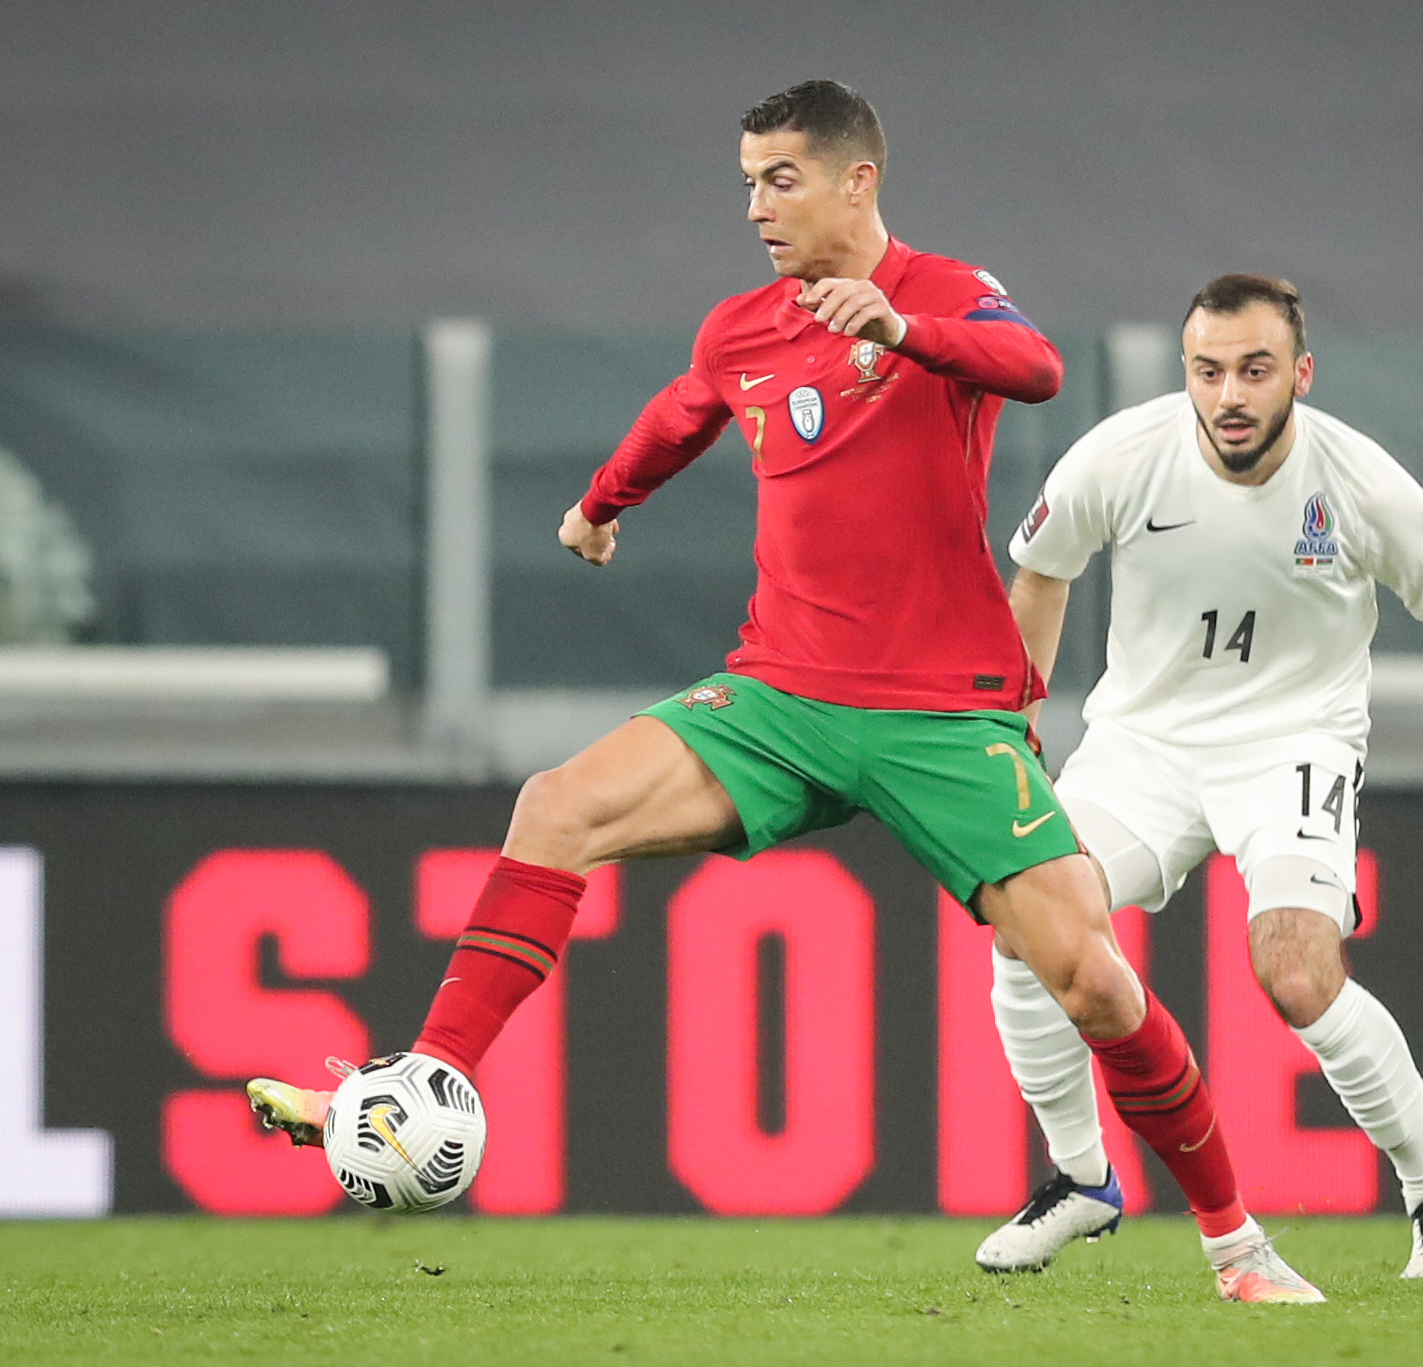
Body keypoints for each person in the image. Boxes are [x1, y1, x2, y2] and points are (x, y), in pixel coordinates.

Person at [246, 80, 1319, 1305]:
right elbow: (681, 415)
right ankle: (425, 1080)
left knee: (1090, 978)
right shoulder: (741, 327)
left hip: (937, 714)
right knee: (554, 806)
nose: (757, 205)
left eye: (781, 179)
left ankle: (1237, 1243)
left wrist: (901, 330)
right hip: (781, 699)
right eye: (749, 181)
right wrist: (599, 503)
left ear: (858, 181)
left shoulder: (943, 291)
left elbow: (1033, 366)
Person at [975, 273, 1423, 1280]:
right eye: (1208, 371)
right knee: (1022, 916)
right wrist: (1017, 727)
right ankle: (1081, 1177)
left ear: (1300, 374)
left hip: (1292, 744)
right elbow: (1040, 574)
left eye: (1254, 370)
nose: (1228, 394)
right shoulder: (1122, 456)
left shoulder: (1362, 484)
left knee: (1295, 973)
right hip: (1144, 745)